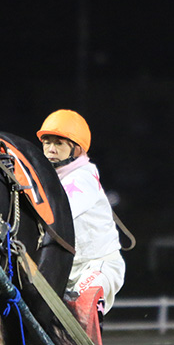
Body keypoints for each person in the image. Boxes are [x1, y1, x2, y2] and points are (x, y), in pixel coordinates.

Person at [37, 109, 125, 315]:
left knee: (83, 303)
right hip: (64, 271)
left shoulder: (82, 177)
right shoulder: (49, 177)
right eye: (47, 142)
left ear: (76, 149)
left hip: (97, 267)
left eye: (59, 143)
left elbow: (53, 216)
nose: (50, 149)